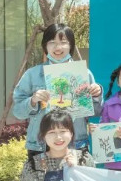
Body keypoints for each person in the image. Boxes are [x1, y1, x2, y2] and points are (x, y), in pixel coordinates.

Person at [12, 23, 104, 159]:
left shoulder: (84, 73)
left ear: (71, 45)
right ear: (45, 46)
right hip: (41, 146)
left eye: (63, 42)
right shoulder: (32, 74)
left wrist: (97, 95)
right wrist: (32, 101)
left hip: (76, 144)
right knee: (40, 174)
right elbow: (18, 112)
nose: (57, 47)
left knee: (74, 174)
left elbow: (97, 112)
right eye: (52, 42)